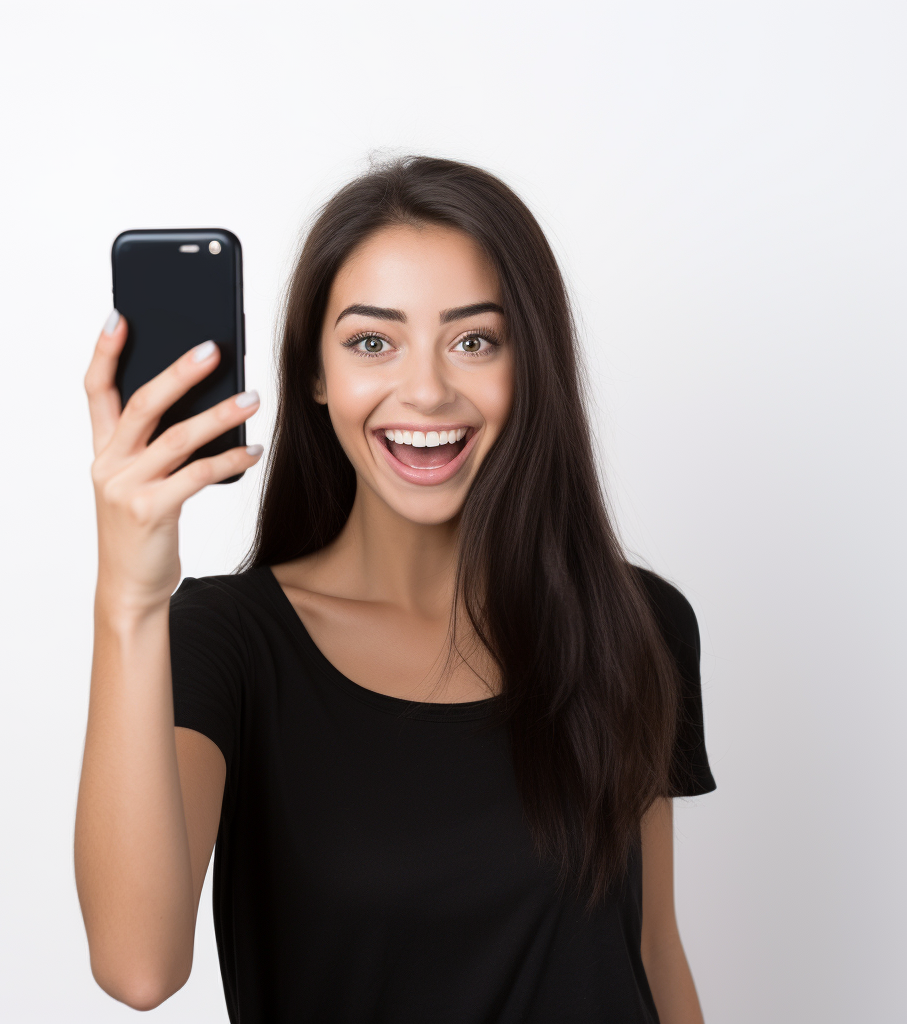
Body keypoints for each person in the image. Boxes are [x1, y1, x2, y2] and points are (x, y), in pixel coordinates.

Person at [74, 156, 715, 1023]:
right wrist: (130, 595)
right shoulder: (225, 644)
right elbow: (138, 967)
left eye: (474, 340)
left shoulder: (636, 622)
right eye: (373, 341)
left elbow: (651, 953)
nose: (425, 390)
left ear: (532, 366)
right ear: (315, 375)